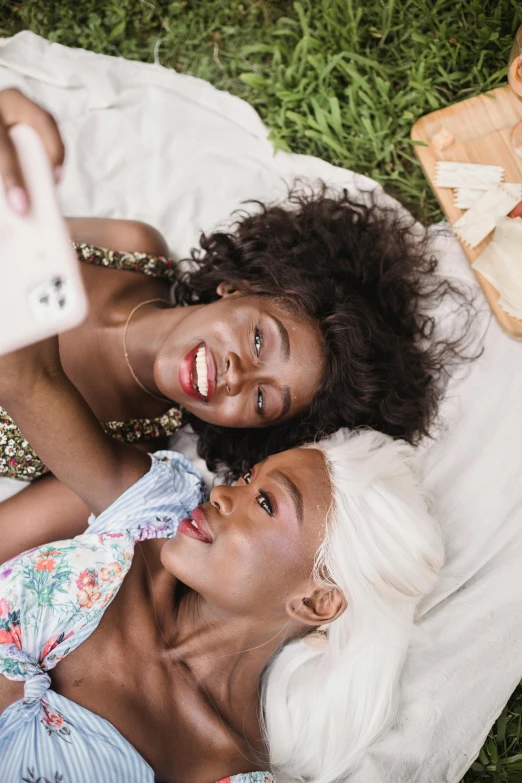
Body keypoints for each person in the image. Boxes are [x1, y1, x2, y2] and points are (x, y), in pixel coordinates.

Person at [0, 334, 443, 783]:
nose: (225, 494)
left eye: (267, 503)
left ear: (316, 603)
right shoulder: (154, 512)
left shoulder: (218, 768)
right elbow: (28, 380)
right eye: (250, 477)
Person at [0, 89, 473, 495]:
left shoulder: (120, 457)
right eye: (260, 341)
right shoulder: (132, 247)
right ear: (236, 287)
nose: (237, 375)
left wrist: (30, 379)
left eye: (264, 401)